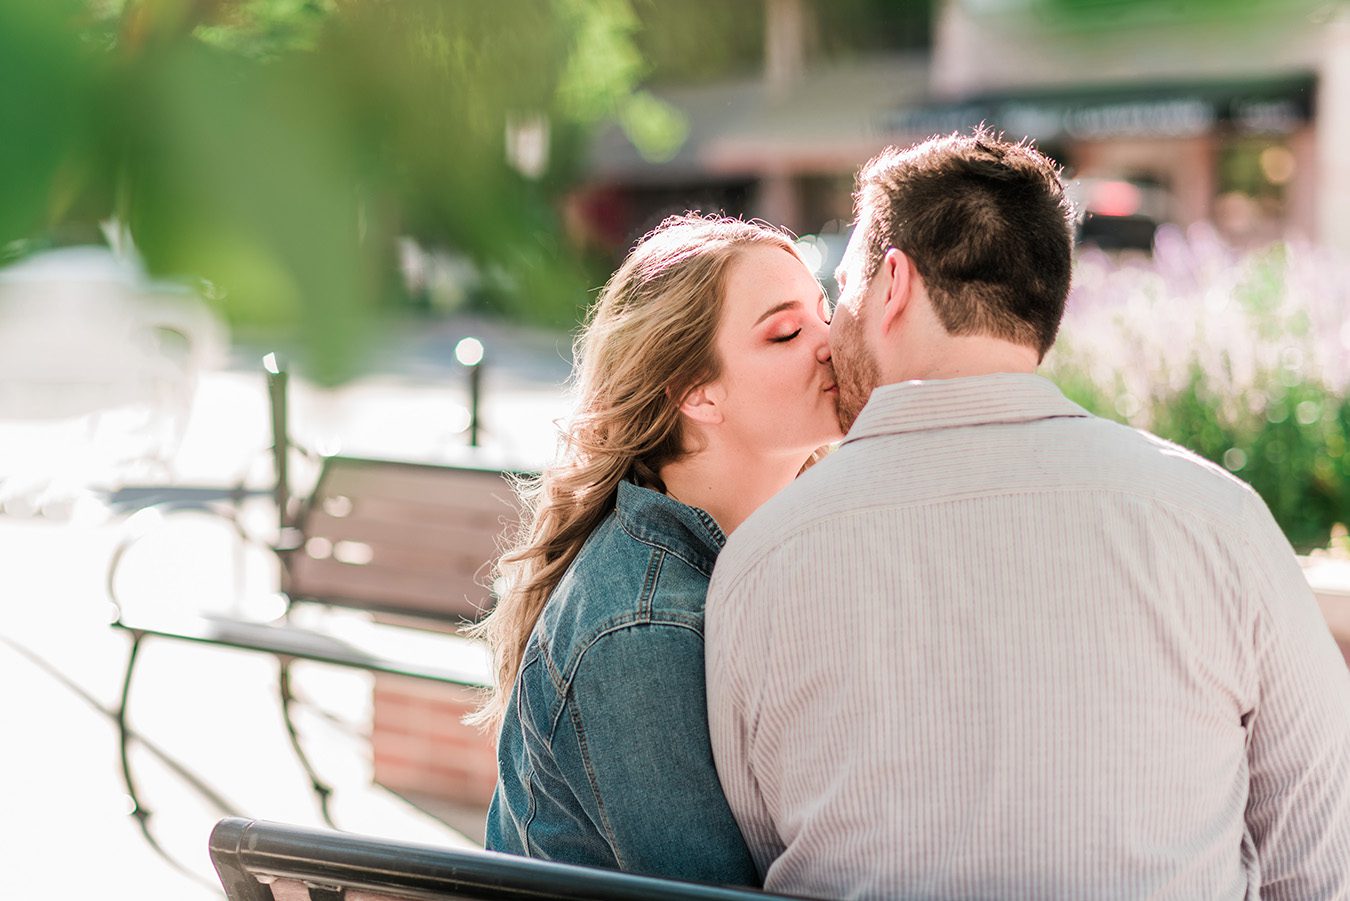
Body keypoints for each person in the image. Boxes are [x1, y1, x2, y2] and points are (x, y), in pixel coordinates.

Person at [704, 130, 1350, 899]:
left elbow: (756, 855)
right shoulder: (1221, 524)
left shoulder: (762, 561)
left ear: (894, 284)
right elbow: (1317, 862)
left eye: (843, 289)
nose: (829, 333)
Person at [473, 214, 841, 884]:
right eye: (786, 331)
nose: (832, 340)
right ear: (693, 391)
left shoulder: (768, 552)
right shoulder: (642, 630)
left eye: (825, 312)